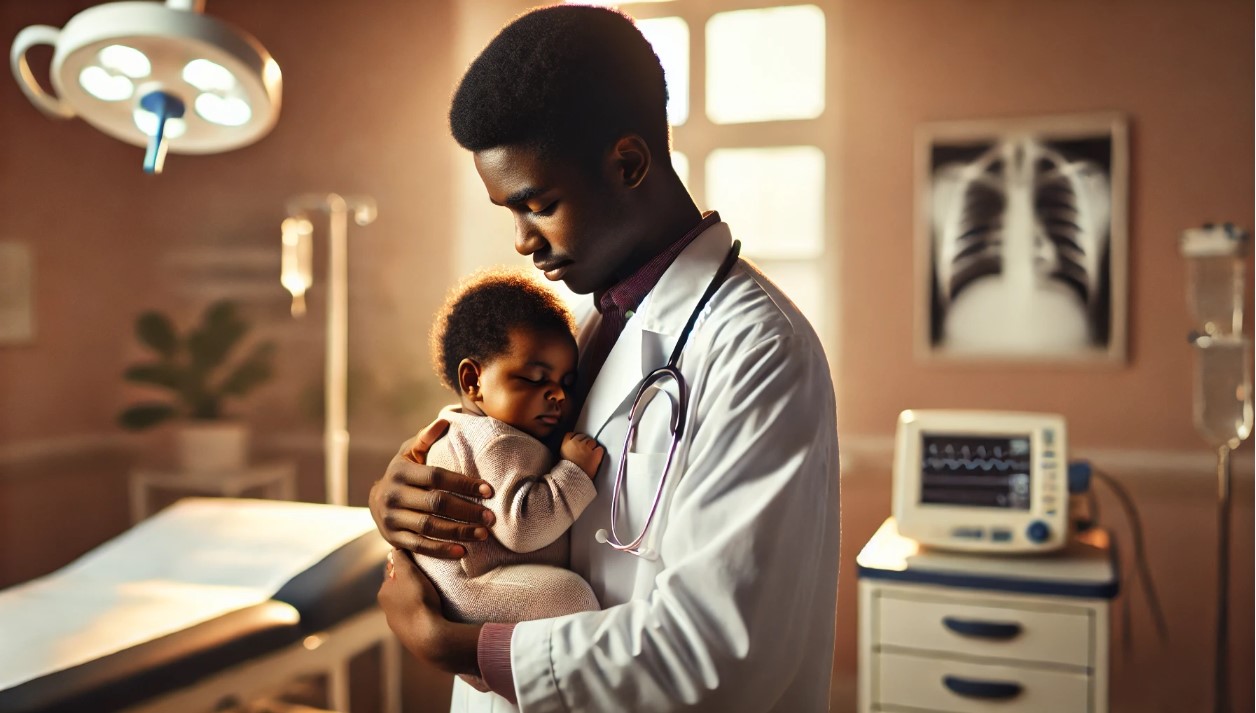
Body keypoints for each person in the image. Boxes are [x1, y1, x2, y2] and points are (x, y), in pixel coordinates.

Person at [373, 6, 841, 712]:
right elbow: (492, 453)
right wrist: (406, 502)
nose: (523, 242)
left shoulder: (758, 350)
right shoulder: (584, 322)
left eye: (539, 204)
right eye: (510, 212)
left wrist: (463, 648)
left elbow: (719, 652)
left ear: (627, 163)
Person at [397, 268, 604, 626]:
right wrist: (573, 471)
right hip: (476, 591)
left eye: (565, 383)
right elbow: (522, 527)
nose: (557, 394)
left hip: (463, 588)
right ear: (473, 380)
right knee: (571, 596)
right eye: (534, 379)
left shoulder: (461, 426)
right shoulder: (496, 439)